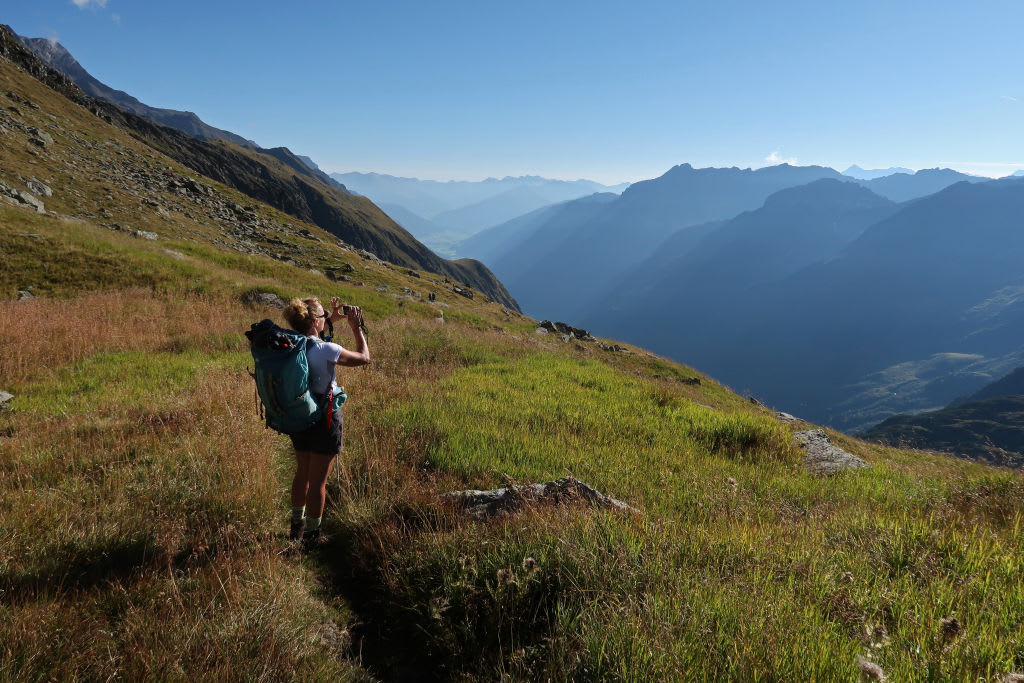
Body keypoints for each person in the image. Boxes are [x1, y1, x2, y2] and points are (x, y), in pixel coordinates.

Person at [280, 296, 370, 546]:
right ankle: (311, 537)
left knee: (302, 473)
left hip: (299, 416)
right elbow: (364, 358)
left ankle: (295, 526)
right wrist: (356, 328)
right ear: (315, 322)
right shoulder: (326, 350)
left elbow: (312, 331)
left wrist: (330, 319)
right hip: (325, 419)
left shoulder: (290, 342)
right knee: (319, 481)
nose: (326, 318)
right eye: (323, 316)